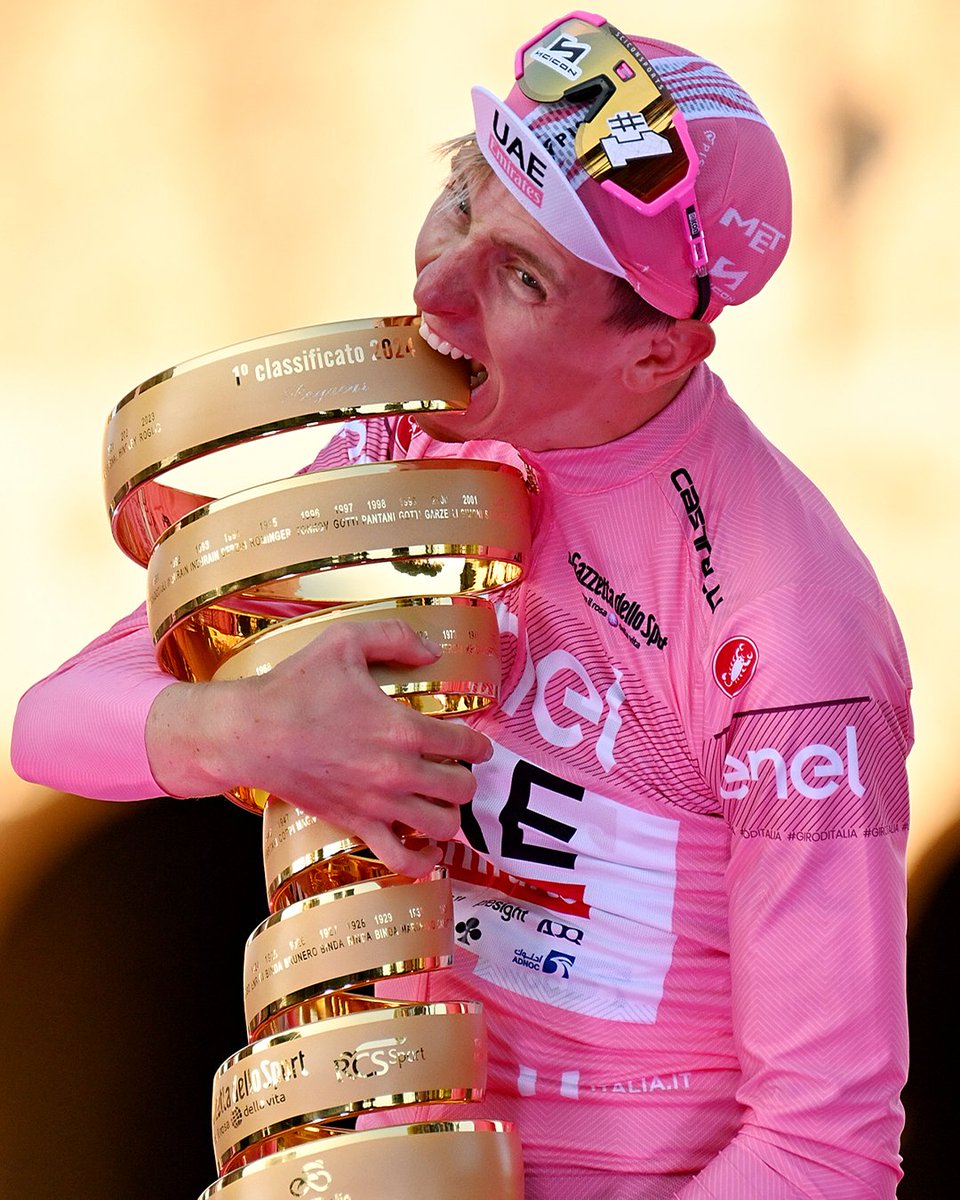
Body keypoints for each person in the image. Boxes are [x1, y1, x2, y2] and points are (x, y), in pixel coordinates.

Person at [12, 12, 910, 1199]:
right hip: (357, 1148)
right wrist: (249, 726)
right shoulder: (415, 441)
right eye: (459, 198)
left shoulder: (790, 628)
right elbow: (52, 720)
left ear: (660, 351)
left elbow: (824, 1150)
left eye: (521, 276)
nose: (436, 289)